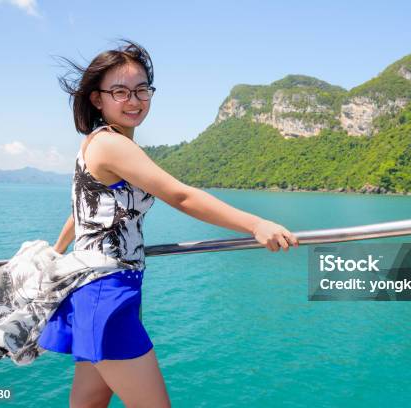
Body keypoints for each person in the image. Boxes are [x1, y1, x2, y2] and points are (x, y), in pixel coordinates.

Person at [39, 39, 299, 408]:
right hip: (106, 294)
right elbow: (181, 195)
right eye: (120, 91)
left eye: (142, 89)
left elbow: (85, 209)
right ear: (97, 99)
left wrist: (58, 248)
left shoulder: (99, 144)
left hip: (95, 292)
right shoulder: (112, 145)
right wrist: (255, 224)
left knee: (89, 404)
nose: (134, 100)